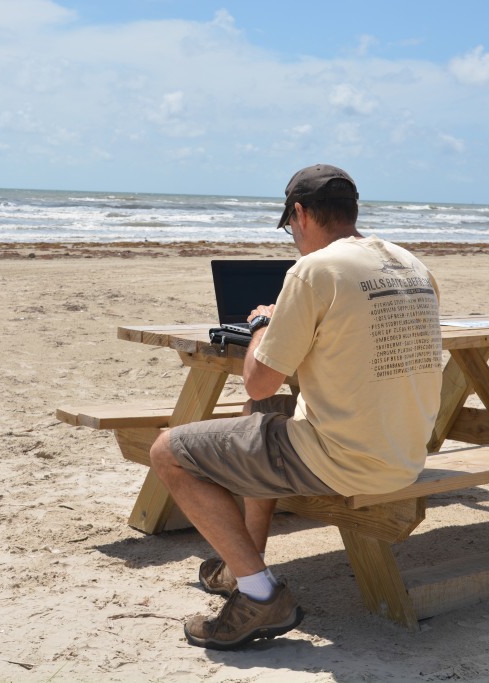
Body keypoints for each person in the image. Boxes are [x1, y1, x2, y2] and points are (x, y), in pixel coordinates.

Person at [149, 164, 443, 649]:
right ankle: (242, 563)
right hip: (406, 454)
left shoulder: (314, 270)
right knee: (262, 418)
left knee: (168, 451)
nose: (292, 238)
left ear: (301, 214)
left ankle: (260, 596)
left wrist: (265, 323)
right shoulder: (411, 265)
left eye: (289, 228)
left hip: (346, 462)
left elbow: (259, 377)